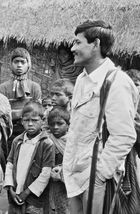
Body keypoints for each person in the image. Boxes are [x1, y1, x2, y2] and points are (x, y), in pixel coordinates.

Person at [63, 20, 139, 214]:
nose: (72, 48)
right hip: (74, 175)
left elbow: (124, 135)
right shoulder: (82, 79)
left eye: (78, 43)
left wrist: (99, 175)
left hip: (96, 179)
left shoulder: (117, 82)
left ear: (95, 44)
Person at [4, 101, 54, 214]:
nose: (30, 124)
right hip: (15, 193)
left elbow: (45, 173)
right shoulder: (17, 141)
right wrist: (10, 187)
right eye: (26, 120)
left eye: (35, 120)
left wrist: (26, 192)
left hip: (34, 198)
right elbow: (10, 164)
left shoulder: (46, 144)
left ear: (43, 120)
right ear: (21, 121)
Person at [0, 47, 42, 150]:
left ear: (28, 65)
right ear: (11, 64)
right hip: (8, 132)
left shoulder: (34, 87)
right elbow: (1, 114)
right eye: (16, 62)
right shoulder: (3, 88)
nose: (19, 65)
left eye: (23, 62)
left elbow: (38, 113)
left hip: (30, 131)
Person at [47, 107, 70, 214]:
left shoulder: (73, 142)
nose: (55, 127)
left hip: (69, 184)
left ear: (68, 124)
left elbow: (77, 163)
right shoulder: (47, 140)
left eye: (60, 123)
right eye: (52, 124)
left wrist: (61, 170)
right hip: (50, 183)